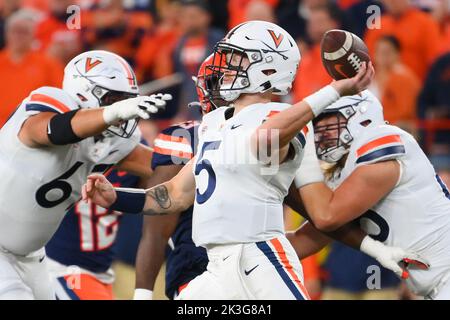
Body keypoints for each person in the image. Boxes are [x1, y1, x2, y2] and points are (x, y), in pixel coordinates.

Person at [83, 20, 374, 300]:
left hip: (260, 257)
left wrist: (333, 90)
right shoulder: (213, 122)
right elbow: (173, 195)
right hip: (216, 265)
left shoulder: (276, 117)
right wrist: (116, 197)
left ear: (269, 66)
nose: (226, 66)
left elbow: (264, 140)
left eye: (237, 59)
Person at [0, 49, 170, 299]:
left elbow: (162, 167)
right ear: (83, 92)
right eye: (114, 99)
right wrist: (109, 114)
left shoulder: (114, 142)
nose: (124, 109)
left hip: (32, 257)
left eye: (127, 100)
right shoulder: (49, 102)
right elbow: (48, 130)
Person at [289, 90, 450, 299]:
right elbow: (305, 240)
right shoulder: (345, 180)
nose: (320, 133)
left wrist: (296, 166)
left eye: (329, 122)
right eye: (316, 127)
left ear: (362, 117)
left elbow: (326, 216)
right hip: (434, 287)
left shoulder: (381, 152)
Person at [45, 167, 144, 300]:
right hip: (66, 267)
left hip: (102, 269)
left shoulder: (133, 156)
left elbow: (158, 185)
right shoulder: (72, 152)